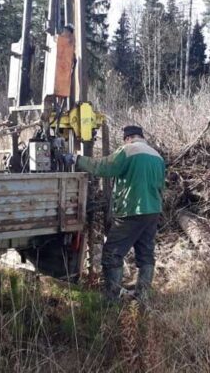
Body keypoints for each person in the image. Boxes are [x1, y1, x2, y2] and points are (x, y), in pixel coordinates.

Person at [62, 125, 165, 302]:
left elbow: (103, 167)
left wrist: (76, 159)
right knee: (146, 254)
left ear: (128, 138)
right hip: (152, 211)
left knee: (112, 253)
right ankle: (143, 296)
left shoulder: (128, 150)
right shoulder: (157, 156)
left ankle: (112, 299)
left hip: (131, 211)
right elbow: (161, 185)